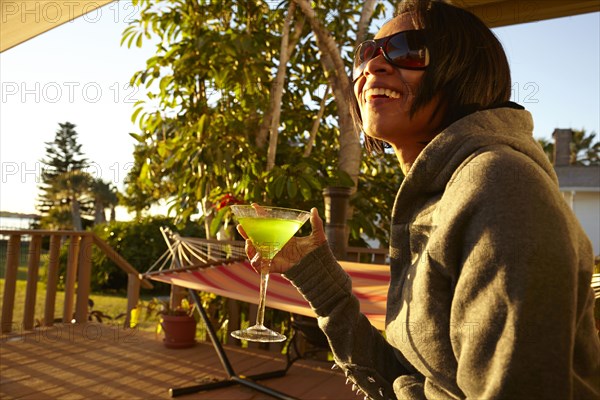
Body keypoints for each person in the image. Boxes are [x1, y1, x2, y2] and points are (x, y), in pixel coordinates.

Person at [239, 0, 600, 398]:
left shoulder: (499, 186)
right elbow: (409, 378)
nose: (373, 67)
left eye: (408, 49)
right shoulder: (436, 194)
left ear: (466, 71)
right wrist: (313, 273)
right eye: (366, 54)